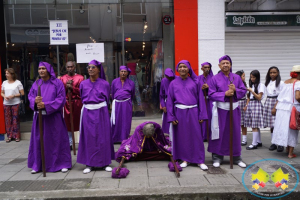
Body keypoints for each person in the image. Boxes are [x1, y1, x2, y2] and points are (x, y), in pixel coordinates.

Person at [28, 62, 71, 174]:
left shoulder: (57, 83)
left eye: (43, 68)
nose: (41, 71)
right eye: (39, 69)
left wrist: (45, 105)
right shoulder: (36, 84)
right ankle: (38, 164)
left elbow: (61, 99)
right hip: (40, 118)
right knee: (39, 140)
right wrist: (35, 102)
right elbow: (30, 97)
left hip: (54, 118)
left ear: (48, 70)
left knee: (57, 140)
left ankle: (62, 163)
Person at [167, 60, 208, 171]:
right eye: (180, 66)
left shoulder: (195, 82)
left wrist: (201, 115)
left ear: (189, 68)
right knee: (183, 136)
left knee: (197, 136)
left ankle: (200, 160)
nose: (182, 68)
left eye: (185, 66)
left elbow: (201, 99)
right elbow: (170, 101)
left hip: (193, 112)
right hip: (179, 112)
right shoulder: (173, 83)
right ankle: (185, 159)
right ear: (177, 69)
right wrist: (171, 116)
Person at [208, 55, 247, 168]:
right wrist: (224, 94)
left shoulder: (236, 77)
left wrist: (235, 90)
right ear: (219, 66)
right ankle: (217, 157)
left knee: (234, 133)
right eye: (223, 63)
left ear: (230, 65)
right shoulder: (214, 78)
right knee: (219, 133)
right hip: (220, 110)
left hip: (233, 109)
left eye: (227, 63)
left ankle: (236, 158)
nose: (225, 65)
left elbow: (243, 91)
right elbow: (211, 94)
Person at [77, 60, 114, 174]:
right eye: (89, 67)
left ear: (98, 69)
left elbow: (107, 99)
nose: (90, 69)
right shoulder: (83, 84)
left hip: (101, 112)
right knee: (89, 137)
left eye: (93, 67)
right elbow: (81, 96)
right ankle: (89, 164)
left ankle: (105, 163)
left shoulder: (105, 84)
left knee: (103, 137)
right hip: (88, 112)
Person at [272, 65, 300, 158]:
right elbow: (297, 97)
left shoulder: (285, 82)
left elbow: (279, 97)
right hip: (292, 108)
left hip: (281, 108)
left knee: (283, 128)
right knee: (292, 129)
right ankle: (290, 154)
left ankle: (287, 149)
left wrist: (274, 108)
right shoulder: (298, 83)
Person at [60, 61, 84, 150]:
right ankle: (69, 142)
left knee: (79, 122)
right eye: (68, 67)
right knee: (68, 123)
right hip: (67, 103)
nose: (70, 68)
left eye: (71, 67)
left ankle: (82, 142)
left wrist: (72, 88)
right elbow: (60, 92)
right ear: (66, 68)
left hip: (77, 102)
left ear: (74, 67)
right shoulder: (62, 78)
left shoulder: (80, 78)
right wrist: (66, 87)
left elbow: (82, 91)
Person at [111, 65, 135, 143]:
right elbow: (112, 92)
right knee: (117, 120)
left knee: (126, 120)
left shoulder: (131, 83)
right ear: (119, 72)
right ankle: (115, 138)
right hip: (117, 104)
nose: (123, 73)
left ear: (127, 73)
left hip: (126, 103)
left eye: (125, 72)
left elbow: (132, 94)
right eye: (122, 71)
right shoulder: (114, 81)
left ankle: (124, 138)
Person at [1, 68, 24, 142]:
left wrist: (13, 95)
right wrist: (4, 96)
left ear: (12, 74)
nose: (6, 75)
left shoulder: (18, 82)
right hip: (6, 103)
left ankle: (16, 136)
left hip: (15, 103)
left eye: (7, 73)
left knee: (15, 119)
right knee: (8, 120)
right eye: (6, 73)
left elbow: (22, 93)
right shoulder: (4, 82)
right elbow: (1, 92)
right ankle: (9, 136)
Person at [263, 67, 283, 151]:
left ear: (278, 73)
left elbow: (281, 96)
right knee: (272, 125)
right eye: (270, 72)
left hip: (277, 102)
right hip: (268, 101)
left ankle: (281, 144)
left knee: (278, 124)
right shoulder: (268, 82)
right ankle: (274, 143)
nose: (272, 74)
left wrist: (275, 107)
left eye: (274, 72)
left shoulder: (280, 83)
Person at [244, 70, 265, 150]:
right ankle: (258, 141)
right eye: (251, 77)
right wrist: (246, 105)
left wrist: (252, 91)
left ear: (257, 77)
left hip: (256, 104)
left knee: (254, 125)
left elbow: (259, 97)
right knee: (254, 124)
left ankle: (254, 144)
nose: (252, 79)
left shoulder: (261, 85)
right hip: (251, 105)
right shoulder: (252, 85)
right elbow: (249, 98)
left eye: (254, 77)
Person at [198, 62, 214, 141]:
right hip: (202, 100)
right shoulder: (198, 78)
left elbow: (216, 88)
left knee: (210, 117)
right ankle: (203, 136)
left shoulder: (213, 78)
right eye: (205, 67)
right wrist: (200, 88)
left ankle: (209, 136)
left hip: (210, 100)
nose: (207, 69)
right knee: (202, 117)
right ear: (202, 68)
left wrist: (209, 87)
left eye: (208, 67)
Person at [160, 68, 175, 134]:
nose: (168, 77)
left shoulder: (177, 79)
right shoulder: (163, 81)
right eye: (167, 76)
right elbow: (161, 95)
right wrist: (163, 105)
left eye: (170, 76)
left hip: (176, 102)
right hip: (167, 102)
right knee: (167, 121)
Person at [235, 70, 248, 146]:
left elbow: (248, 96)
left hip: (243, 103)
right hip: (236, 103)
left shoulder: (244, 84)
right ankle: (236, 139)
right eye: (243, 76)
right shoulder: (234, 84)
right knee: (236, 123)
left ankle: (244, 139)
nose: (244, 77)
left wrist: (246, 105)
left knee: (243, 123)